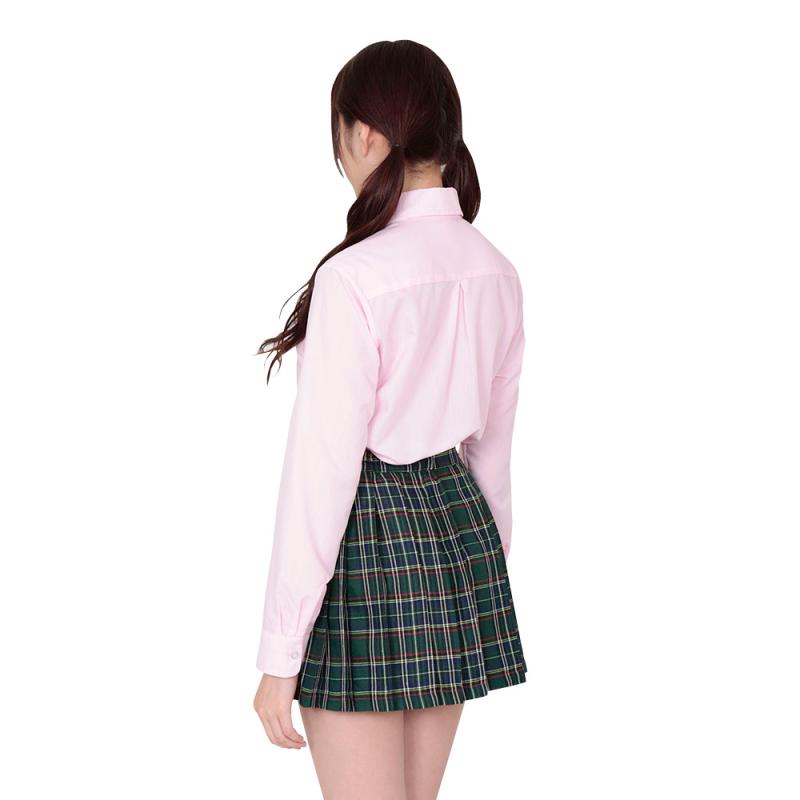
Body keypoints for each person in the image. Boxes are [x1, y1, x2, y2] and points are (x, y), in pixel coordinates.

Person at [252, 39, 527, 799]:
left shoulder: (356, 277)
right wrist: (480, 577)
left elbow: (323, 475)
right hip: (457, 535)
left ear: (366, 134)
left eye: (339, 136)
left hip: (365, 545)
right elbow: (493, 456)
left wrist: (280, 654)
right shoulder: (498, 270)